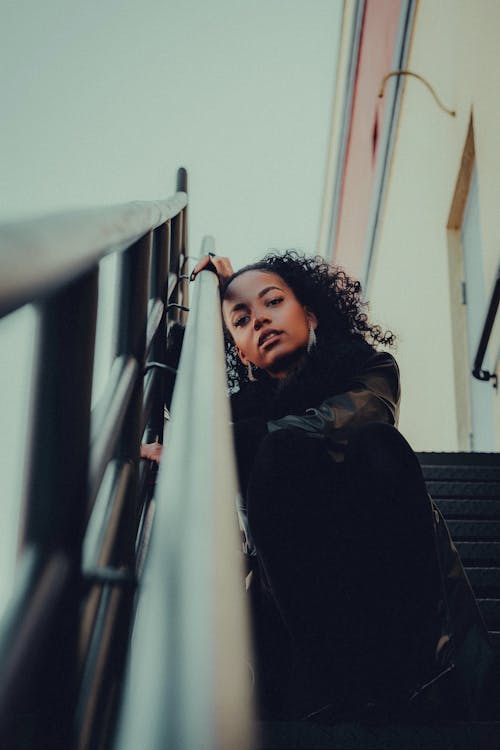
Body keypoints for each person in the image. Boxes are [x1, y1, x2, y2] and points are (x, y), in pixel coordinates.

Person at [142, 250, 494, 723]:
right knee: (278, 456)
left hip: (399, 607)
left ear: (309, 314)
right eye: (242, 320)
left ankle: (417, 671)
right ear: (239, 351)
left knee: (373, 446)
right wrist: (209, 305)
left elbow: (336, 424)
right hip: (309, 625)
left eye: (272, 302)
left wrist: (208, 445)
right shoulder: (243, 412)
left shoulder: (370, 367)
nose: (261, 320)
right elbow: (184, 382)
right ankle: (333, 682)